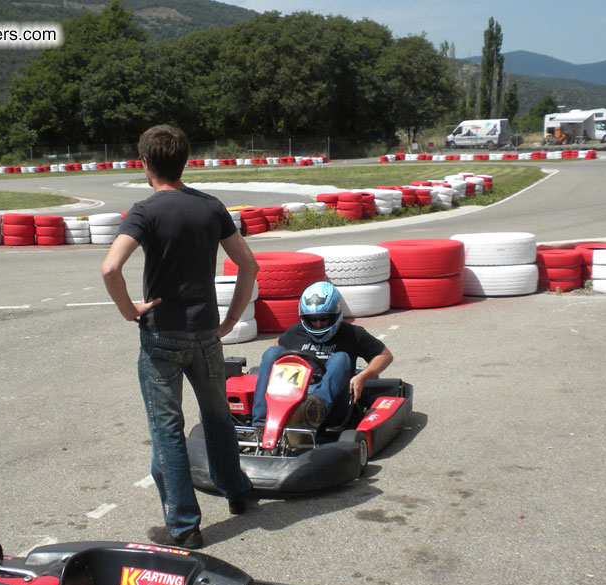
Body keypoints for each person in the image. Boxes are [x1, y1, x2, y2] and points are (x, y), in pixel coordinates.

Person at [101, 124, 259, 550]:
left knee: (168, 427)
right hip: (206, 332)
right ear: (185, 160)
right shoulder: (211, 208)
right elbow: (249, 265)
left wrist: (129, 310)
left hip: (162, 337)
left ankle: (185, 524)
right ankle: (238, 492)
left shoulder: (144, 211)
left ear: (145, 164)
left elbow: (110, 268)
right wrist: (230, 320)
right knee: (217, 417)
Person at [251, 281, 394, 429]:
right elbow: (277, 346)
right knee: (272, 353)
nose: (318, 325)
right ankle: (260, 424)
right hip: (291, 394)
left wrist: (362, 376)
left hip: (332, 405)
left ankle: (314, 410)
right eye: (313, 320)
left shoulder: (352, 334)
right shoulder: (296, 331)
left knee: (341, 358)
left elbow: (384, 355)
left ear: (335, 314)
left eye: (324, 319)